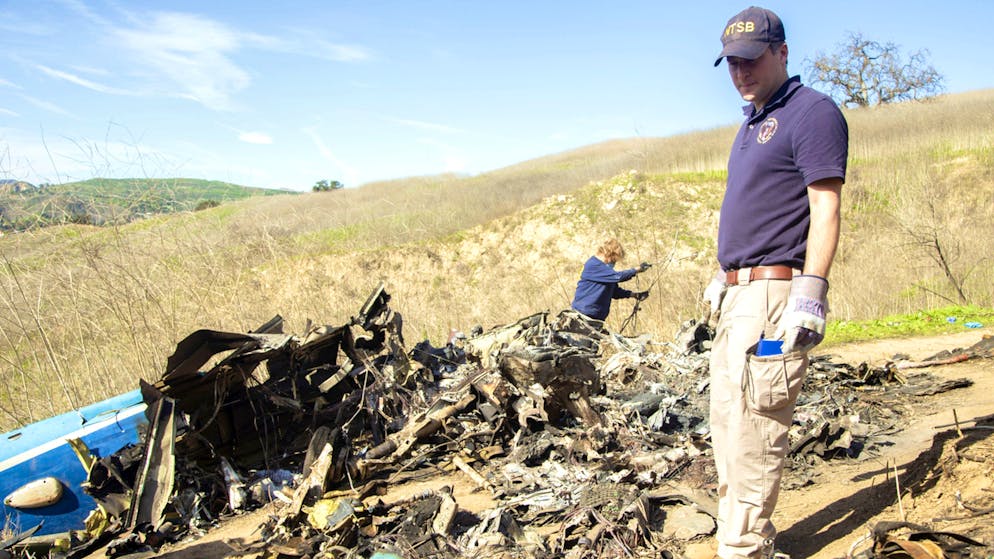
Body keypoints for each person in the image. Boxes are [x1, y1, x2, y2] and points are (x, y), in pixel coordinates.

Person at [699, 6, 849, 559]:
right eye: (732, 64)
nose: (740, 72)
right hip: (738, 295)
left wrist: (811, 291)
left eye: (751, 60)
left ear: (782, 53)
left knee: (755, 429)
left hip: (772, 297)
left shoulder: (812, 113)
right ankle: (738, 540)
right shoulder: (752, 123)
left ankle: (745, 549)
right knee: (727, 426)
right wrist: (723, 275)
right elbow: (758, 210)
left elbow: (825, 206)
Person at [570, 238, 649, 322]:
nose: (614, 263)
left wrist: (634, 295)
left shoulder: (606, 272)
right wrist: (637, 269)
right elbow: (618, 277)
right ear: (608, 254)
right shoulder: (593, 265)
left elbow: (615, 292)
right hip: (582, 316)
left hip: (596, 319)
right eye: (614, 260)